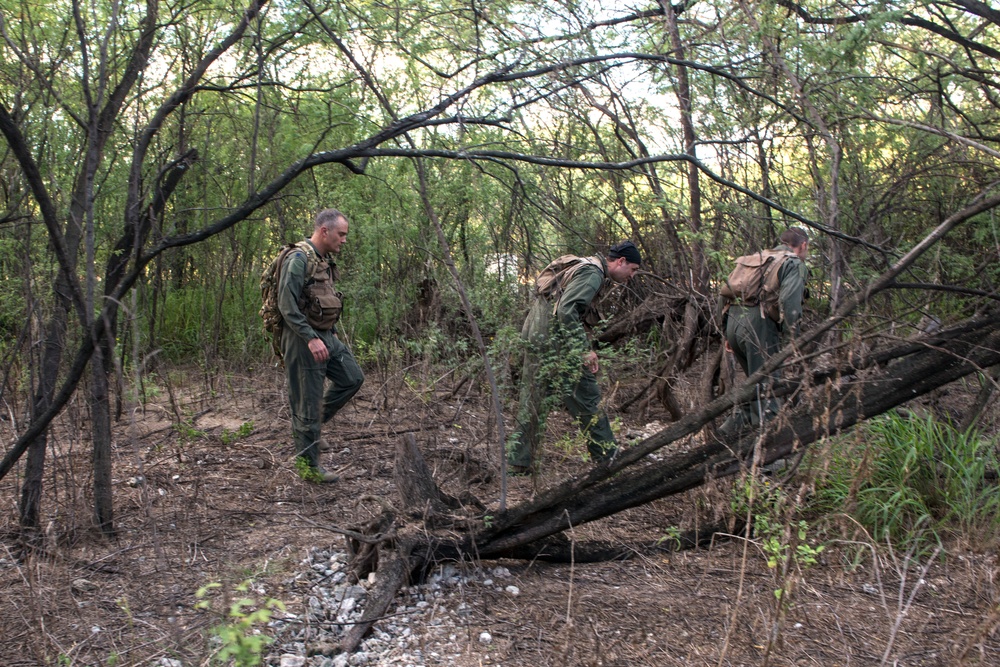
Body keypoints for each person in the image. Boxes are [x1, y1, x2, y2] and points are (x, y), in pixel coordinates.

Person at [507, 241, 642, 474]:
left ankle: (519, 463)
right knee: (587, 398)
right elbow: (567, 309)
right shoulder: (593, 273)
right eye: (633, 269)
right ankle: (609, 460)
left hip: (536, 334)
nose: (632, 275)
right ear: (621, 261)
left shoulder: (585, 266)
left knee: (533, 400)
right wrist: (582, 349)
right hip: (556, 342)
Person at [279, 208, 365, 482]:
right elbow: (286, 305)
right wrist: (311, 338)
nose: (344, 240)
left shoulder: (322, 260)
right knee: (308, 401)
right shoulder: (298, 259)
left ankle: (313, 430)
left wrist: (331, 333)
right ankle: (310, 469)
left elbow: (322, 301)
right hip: (301, 339)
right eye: (341, 234)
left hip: (324, 335)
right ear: (324, 231)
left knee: (352, 377)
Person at [717, 227, 808, 437]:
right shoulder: (793, 263)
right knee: (768, 391)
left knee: (754, 386)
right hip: (760, 328)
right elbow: (791, 305)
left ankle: (725, 436)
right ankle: (770, 456)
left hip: (734, 323)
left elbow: (723, 295)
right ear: (803, 245)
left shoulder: (754, 259)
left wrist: (726, 332)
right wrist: (791, 341)